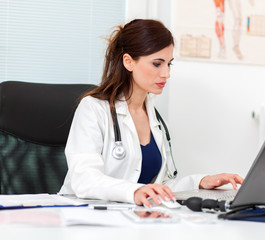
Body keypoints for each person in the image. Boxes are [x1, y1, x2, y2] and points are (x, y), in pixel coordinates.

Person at [59, 19, 243, 208]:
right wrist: (134, 191)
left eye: (169, 64)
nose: (166, 73)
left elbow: (159, 186)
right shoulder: (93, 109)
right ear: (128, 62)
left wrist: (201, 182)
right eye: (157, 64)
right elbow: (85, 180)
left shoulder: (155, 118)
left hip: (130, 217)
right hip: (85, 216)